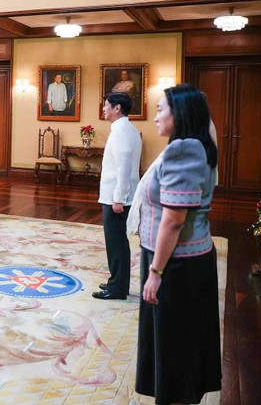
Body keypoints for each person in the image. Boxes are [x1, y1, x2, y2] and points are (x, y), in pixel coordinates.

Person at [132, 84, 221, 404]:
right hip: (189, 257)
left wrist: (156, 271)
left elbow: (174, 219)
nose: (155, 116)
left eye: (159, 109)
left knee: (173, 344)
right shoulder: (199, 144)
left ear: (179, 113)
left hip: (175, 262)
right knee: (182, 339)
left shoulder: (184, 148)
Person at [92, 92, 142, 301]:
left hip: (117, 196)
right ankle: (118, 282)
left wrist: (118, 198)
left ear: (117, 108)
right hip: (119, 194)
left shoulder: (121, 132)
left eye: (106, 105)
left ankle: (118, 288)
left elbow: (123, 168)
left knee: (116, 242)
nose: (104, 109)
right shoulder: (127, 129)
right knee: (118, 241)